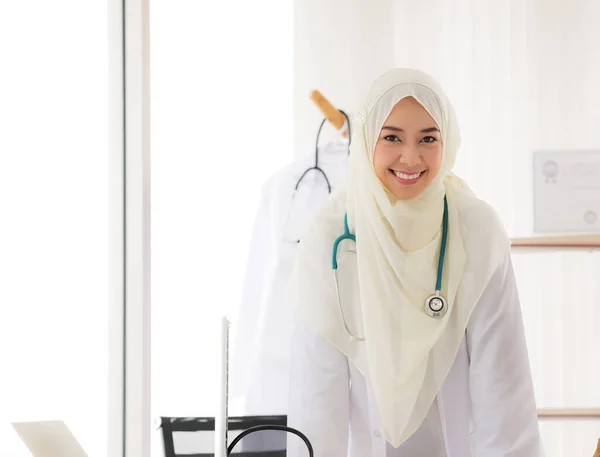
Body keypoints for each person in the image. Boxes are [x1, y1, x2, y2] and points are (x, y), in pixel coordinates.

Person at [286, 68, 544, 457]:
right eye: (391, 137)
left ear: (448, 141)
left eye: (428, 138)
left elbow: (504, 393)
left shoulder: (476, 229)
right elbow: (316, 402)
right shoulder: (329, 235)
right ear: (368, 138)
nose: (411, 156)